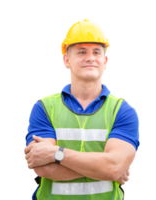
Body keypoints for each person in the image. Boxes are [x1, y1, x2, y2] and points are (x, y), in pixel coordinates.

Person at [23, 18, 142, 200]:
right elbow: (42, 167)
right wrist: (107, 170)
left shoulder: (124, 110)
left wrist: (56, 153)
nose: (90, 58)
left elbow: (113, 168)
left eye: (96, 52)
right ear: (66, 60)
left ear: (106, 61)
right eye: (81, 51)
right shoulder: (43, 108)